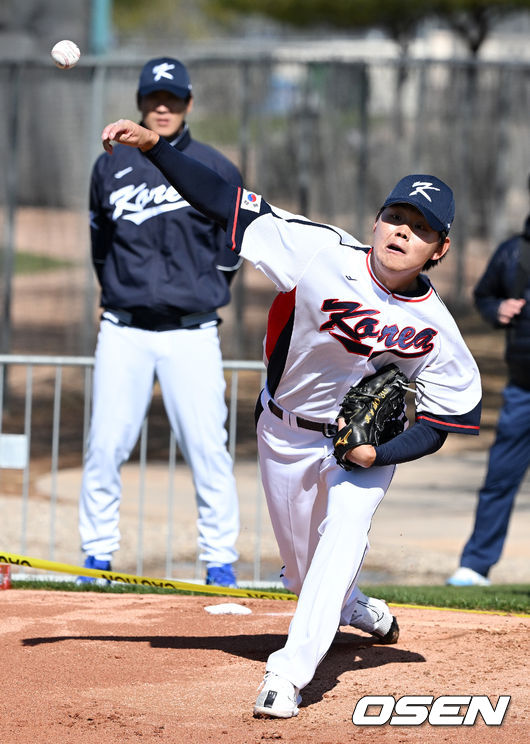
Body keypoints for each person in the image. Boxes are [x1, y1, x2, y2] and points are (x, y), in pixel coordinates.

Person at [99, 117, 482, 718]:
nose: (404, 233)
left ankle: (289, 675)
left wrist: (377, 455)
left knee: (345, 532)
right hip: (282, 432)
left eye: (422, 229)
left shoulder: (437, 330)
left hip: (355, 451)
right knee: (306, 579)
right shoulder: (318, 252)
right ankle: (350, 604)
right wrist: (156, 150)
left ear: (440, 249)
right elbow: (229, 203)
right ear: (376, 222)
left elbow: (450, 417)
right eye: (397, 218)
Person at [78, 58, 243, 589]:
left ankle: (220, 562)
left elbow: (233, 247)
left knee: (207, 448)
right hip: (124, 329)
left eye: (172, 99)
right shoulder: (110, 167)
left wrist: (201, 289)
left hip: (191, 333)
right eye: (154, 98)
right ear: (141, 103)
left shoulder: (214, 166)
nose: (162, 107)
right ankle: (96, 559)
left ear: (189, 104)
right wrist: (120, 292)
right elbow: (100, 245)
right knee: (105, 445)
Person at [447, 189, 530, 587]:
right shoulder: (514, 252)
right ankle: (475, 566)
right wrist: (497, 310)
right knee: (499, 478)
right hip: (522, 390)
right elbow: (484, 295)